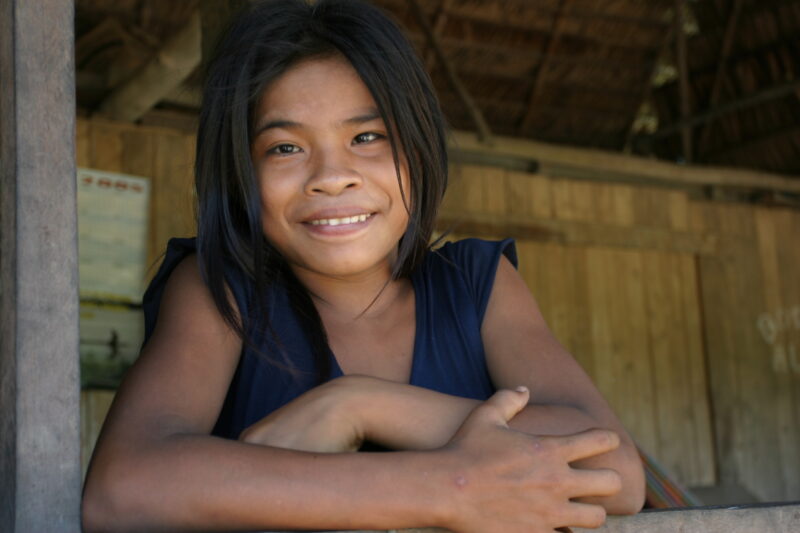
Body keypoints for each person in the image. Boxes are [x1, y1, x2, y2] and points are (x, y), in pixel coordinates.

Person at [81, 0, 645, 531]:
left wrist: (358, 405)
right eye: (285, 147)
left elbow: (617, 472)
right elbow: (122, 491)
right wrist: (452, 488)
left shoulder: (477, 284)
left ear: (419, 151)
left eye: (367, 136)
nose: (331, 176)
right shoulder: (222, 293)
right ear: (241, 174)